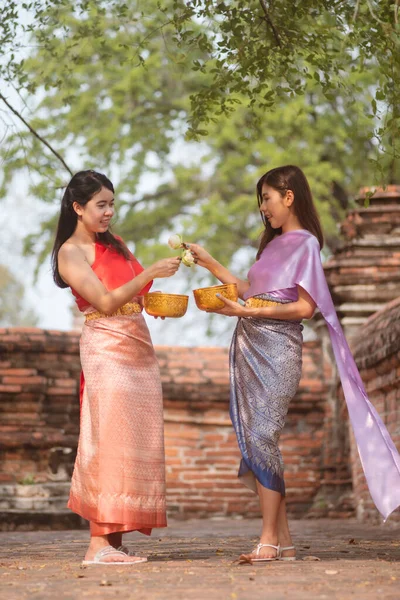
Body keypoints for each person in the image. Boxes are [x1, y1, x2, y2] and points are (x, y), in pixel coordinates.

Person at [188, 165, 400, 563]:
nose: (263, 208)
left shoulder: (306, 244)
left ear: (289, 196)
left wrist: (246, 313)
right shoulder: (271, 246)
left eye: (267, 198)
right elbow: (252, 291)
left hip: (279, 350)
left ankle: (267, 538)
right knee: (255, 440)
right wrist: (210, 263)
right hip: (249, 347)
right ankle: (283, 543)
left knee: (264, 436)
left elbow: (304, 306)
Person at [51, 170, 180, 565]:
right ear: (78, 207)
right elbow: (105, 302)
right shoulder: (70, 252)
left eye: (112, 204)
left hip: (138, 346)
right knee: (108, 439)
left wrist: (152, 302)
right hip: (106, 349)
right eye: (101, 205)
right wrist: (150, 273)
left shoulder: (117, 244)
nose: (109, 212)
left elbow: (133, 295)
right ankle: (97, 544)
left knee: (134, 441)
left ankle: (115, 540)